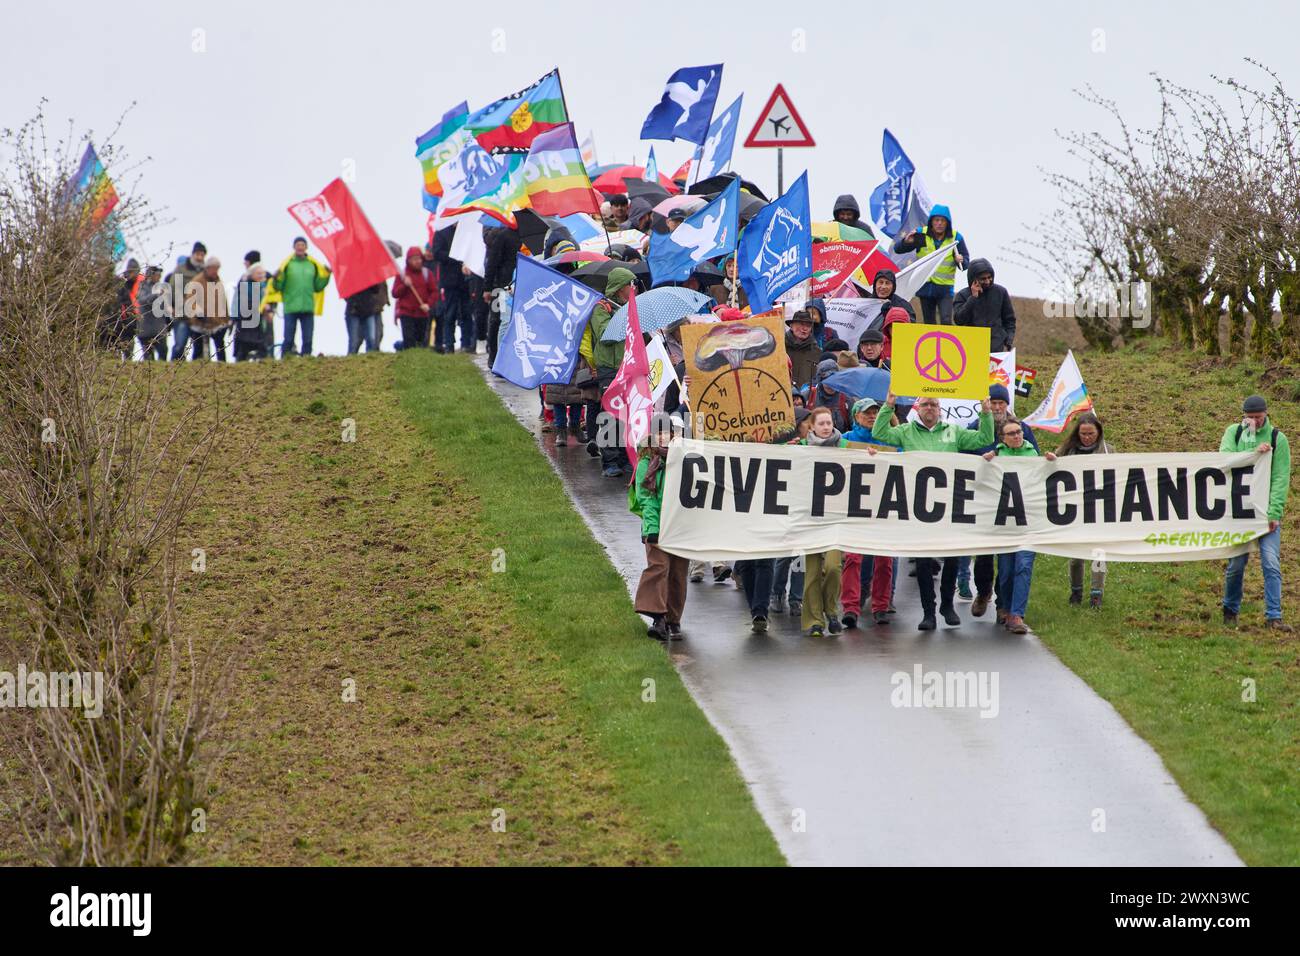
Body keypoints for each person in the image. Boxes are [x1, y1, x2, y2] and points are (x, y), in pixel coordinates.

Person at [873, 391, 994, 630]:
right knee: (923, 562)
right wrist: (888, 405)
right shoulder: (906, 431)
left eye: (934, 404)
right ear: (918, 409)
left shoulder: (953, 431)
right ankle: (928, 612)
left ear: (940, 409)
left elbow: (984, 438)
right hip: (919, 508)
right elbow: (880, 433)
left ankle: (946, 605)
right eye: (926, 404)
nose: (930, 408)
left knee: (952, 558)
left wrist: (986, 412)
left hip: (949, 506)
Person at [959, 384, 1039, 611]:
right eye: (992, 403)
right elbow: (962, 459)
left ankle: (1003, 604)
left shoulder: (1022, 429)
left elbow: (1035, 458)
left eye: (1000, 403)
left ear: (1006, 405)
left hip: (1014, 502)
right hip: (984, 500)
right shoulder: (975, 427)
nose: (996, 407)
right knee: (984, 553)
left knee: (1008, 555)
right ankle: (983, 592)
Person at [1220, 395, 1292, 631]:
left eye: (1258, 417)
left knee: (1271, 563)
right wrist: (1254, 451)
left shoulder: (1278, 439)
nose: (1254, 421)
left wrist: (1275, 512)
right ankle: (1230, 610)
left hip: (1265, 514)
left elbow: (1280, 478)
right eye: (1249, 417)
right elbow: (1225, 460)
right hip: (1239, 513)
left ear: (1266, 414)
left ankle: (1274, 616)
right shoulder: (1234, 433)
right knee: (1236, 564)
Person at [841, 399, 899, 627]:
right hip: (854, 506)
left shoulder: (888, 439)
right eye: (867, 413)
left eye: (875, 412)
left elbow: (904, 458)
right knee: (853, 558)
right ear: (856, 416)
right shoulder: (846, 439)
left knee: (884, 559)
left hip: (884, 505)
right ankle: (850, 607)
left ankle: (881, 606)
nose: (872, 416)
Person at [631, 418, 688, 641]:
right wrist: (652, 528)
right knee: (659, 567)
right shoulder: (647, 462)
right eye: (659, 433)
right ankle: (658, 617)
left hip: (680, 525)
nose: (663, 437)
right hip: (657, 525)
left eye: (667, 433)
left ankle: (674, 619)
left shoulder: (684, 458)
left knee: (678, 573)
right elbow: (646, 498)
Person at [983, 420, 1040, 633]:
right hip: (1005, 524)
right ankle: (1006, 608)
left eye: (1019, 432)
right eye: (1011, 433)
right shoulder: (997, 456)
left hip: (1028, 523)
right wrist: (985, 463)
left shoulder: (1033, 455)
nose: (1016, 436)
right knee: (1006, 571)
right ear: (1003, 438)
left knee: (1023, 566)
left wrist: (1052, 463)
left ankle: (1017, 615)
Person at [1055, 412, 1115, 608]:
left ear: (1099, 433)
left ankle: (1097, 594)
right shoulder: (1066, 451)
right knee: (1076, 557)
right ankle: (1076, 592)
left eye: (1091, 434)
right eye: (1083, 434)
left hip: (1100, 509)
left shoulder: (1108, 451)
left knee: (1099, 554)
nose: (1087, 438)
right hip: (1075, 510)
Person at [798, 407, 846, 637]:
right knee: (813, 572)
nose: (826, 427)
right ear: (812, 426)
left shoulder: (844, 446)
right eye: (821, 424)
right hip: (810, 518)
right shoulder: (802, 448)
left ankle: (831, 610)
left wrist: (870, 454)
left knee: (834, 567)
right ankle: (815, 621)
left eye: (829, 423)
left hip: (835, 518)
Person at [589, 267, 636, 478]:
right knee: (611, 413)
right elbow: (605, 334)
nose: (633, 289)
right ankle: (609, 461)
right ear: (619, 288)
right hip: (609, 368)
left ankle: (625, 458)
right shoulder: (601, 308)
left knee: (627, 414)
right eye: (629, 285)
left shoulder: (630, 308)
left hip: (628, 367)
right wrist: (624, 317)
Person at [891, 204, 968, 326]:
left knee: (946, 321)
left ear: (947, 223)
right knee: (929, 323)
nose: (939, 223)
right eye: (936, 220)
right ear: (931, 221)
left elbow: (965, 263)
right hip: (925, 285)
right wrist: (906, 242)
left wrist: (961, 260)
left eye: (942, 220)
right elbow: (898, 249)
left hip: (945, 288)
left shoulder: (955, 237)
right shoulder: (921, 234)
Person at [271, 237, 331, 357]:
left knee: (308, 338)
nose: (300, 247)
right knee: (288, 338)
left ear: (306, 247)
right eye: (298, 245)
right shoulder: (288, 265)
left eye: (302, 245)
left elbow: (317, 286)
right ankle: (285, 359)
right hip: (290, 307)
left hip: (307, 307)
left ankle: (306, 359)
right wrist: (276, 279)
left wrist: (327, 276)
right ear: (294, 247)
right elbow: (279, 286)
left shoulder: (312, 265)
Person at [954, 258, 1016, 351]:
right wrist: (973, 298)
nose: (987, 281)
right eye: (983, 279)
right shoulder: (962, 295)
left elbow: (1009, 320)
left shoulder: (1001, 292)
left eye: (989, 277)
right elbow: (959, 320)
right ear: (973, 279)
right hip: (971, 345)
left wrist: (1009, 339)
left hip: (996, 346)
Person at [482, 225, 521, 366]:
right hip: (501, 286)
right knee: (497, 320)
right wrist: (487, 287)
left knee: (512, 322)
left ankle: (507, 358)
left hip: (517, 284)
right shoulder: (503, 235)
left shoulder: (523, 237)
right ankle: (494, 357)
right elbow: (491, 263)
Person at [432, 228, 473, 353]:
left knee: (466, 312)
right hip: (449, 281)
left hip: (465, 280)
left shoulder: (466, 231)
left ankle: (466, 344)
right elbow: (437, 253)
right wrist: (455, 256)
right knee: (450, 313)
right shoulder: (441, 232)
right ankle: (449, 344)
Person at [184, 255, 231, 360]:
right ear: (207, 268)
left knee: (220, 347)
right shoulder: (196, 281)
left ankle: (222, 366)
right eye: (214, 269)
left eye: (217, 269)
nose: (215, 271)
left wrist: (227, 320)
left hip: (216, 322)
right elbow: (190, 300)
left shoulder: (218, 282)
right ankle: (196, 367)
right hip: (199, 322)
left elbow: (223, 302)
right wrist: (198, 312)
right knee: (198, 349)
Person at [165, 243, 206, 360]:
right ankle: (173, 367)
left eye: (202, 255)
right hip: (182, 315)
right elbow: (174, 291)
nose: (200, 257)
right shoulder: (181, 269)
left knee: (199, 349)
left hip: (200, 317)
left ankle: (197, 370)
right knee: (180, 346)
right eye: (198, 254)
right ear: (193, 254)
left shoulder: (206, 271)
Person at [392, 246, 438, 350]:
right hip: (406, 313)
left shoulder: (427, 273)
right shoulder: (402, 275)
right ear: (408, 261)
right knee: (409, 341)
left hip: (422, 313)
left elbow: (434, 292)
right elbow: (395, 293)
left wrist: (428, 304)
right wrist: (404, 285)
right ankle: (408, 357)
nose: (418, 261)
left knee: (420, 341)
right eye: (414, 259)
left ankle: (419, 357)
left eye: (419, 258)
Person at [231, 263, 271, 361]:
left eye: (262, 273)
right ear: (252, 274)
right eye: (259, 273)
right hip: (246, 321)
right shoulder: (245, 285)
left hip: (258, 321)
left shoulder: (263, 286)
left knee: (261, 345)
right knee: (243, 346)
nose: (261, 276)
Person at [344, 281, 387, 354]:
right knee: (354, 341)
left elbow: (376, 290)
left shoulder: (369, 277)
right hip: (354, 311)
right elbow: (345, 294)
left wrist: (372, 281)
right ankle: (351, 358)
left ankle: (371, 358)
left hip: (368, 310)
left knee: (371, 338)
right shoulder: (350, 278)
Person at [136, 265, 167, 360]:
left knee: (163, 352)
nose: (159, 277)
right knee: (148, 357)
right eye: (157, 275)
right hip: (145, 329)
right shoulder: (142, 287)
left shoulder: (161, 287)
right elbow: (142, 300)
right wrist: (156, 295)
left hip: (159, 328)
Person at [786, 310, 821, 391]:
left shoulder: (816, 351)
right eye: (801, 324)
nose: (805, 328)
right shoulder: (780, 347)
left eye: (808, 326)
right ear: (791, 326)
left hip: (805, 396)